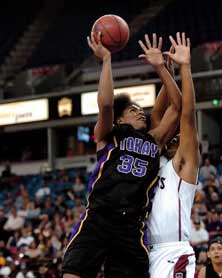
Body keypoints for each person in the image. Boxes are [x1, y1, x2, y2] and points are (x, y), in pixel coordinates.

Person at [62, 31, 181, 278]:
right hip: (98, 218)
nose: (140, 113)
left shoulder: (155, 140)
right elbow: (105, 104)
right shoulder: (108, 135)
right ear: (119, 118)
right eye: (133, 109)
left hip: (130, 226)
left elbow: (177, 107)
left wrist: (162, 69)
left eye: (141, 110)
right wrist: (106, 60)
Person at [146, 32, 200, 277]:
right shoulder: (156, 161)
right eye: (172, 136)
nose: (174, 138)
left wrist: (184, 67)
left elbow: (186, 115)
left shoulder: (184, 164)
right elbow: (160, 117)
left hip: (174, 252)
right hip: (148, 251)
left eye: (179, 138)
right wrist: (163, 71)